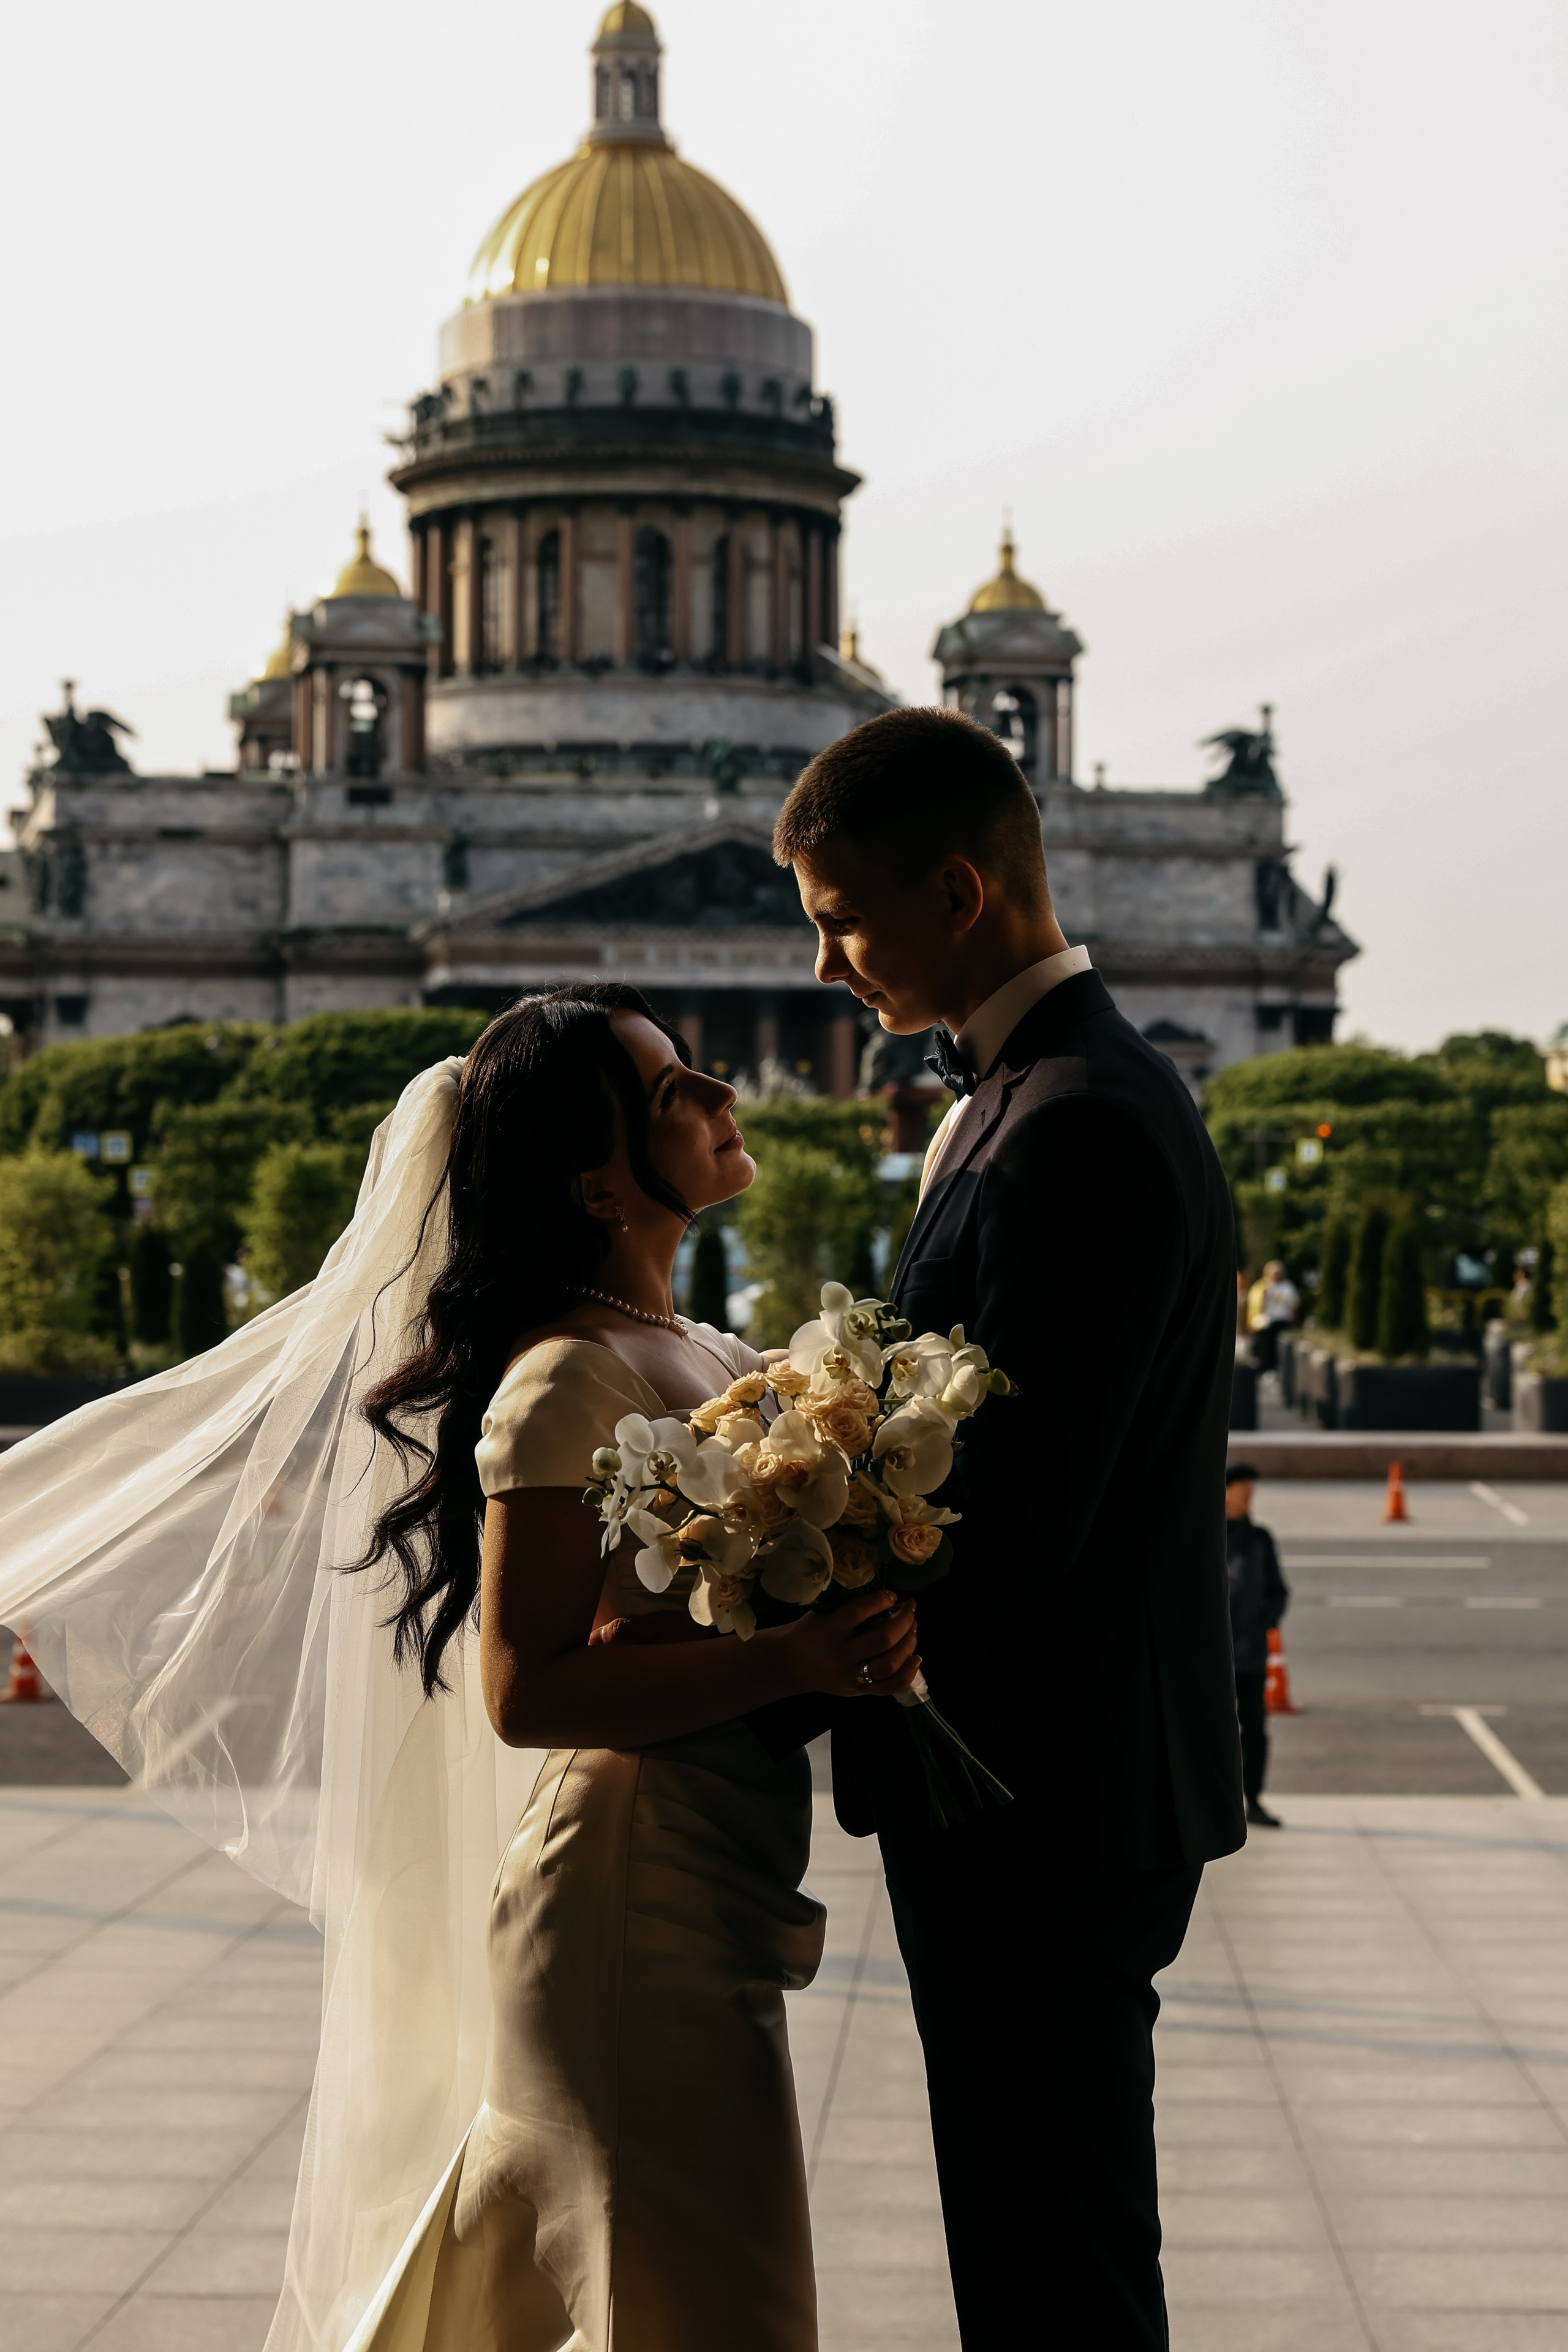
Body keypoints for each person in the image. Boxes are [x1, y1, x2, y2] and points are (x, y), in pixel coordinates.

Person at [0, 982, 920, 2352]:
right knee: (703, 2300)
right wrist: (792, 1657)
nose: (723, 1094)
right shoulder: (564, 1380)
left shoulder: (711, 1353)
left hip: (709, 1872)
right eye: (675, 1090)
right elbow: (525, 1692)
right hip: (633, 1891)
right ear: (595, 1182)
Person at [764, 706, 1247, 2352]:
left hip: (1045, 1781)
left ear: (957, 893)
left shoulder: (1074, 1119)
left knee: (1053, 2256)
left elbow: (1024, 1510)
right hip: (1043, 1774)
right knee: (1030, 2229)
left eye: (843, 920)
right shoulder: (1033, 1095)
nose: (825, 966)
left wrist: (777, 1584)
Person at [1224, 1462, 1289, 1830]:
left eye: (1252, 1491)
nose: (1249, 1497)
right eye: (1243, 1490)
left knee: (1254, 1730)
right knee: (1210, 1730)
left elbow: (1278, 1591)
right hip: (1212, 1658)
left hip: (1250, 1654)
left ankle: (1254, 1798)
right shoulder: (1206, 1535)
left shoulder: (1260, 1538)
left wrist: (1263, 1622)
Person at [1246, 1257, 1299, 1374]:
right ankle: (1265, 1366)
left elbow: (1293, 1305)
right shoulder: (1265, 1286)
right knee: (1264, 1342)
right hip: (1269, 1320)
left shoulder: (1288, 1287)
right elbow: (1259, 1305)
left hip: (1283, 1320)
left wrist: (1294, 1321)